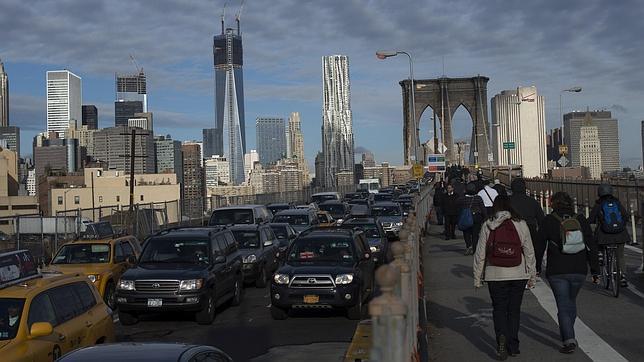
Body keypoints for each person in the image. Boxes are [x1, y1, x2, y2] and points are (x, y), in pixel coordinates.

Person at [473, 195, 536, 360]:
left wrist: (477, 277)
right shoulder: (520, 224)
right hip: (517, 273)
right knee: (514, 310)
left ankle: (501, 337)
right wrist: (532, 275)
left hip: (495, 274)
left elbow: (480, 253)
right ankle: (513, 346)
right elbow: (529, 251)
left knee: (499, 309)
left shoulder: (488, 224)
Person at [536, 192, 598, 354]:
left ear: (553, 203)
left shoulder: (549, 220)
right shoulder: (580, 219)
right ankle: (569, 331)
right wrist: (595, 270)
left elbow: (539, 245)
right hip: (579, 269)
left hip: (557, 270)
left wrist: (536, 268)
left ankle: (569, 339)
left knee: (563, 305)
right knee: (570, 302)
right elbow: (591, 244)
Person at [588, 184, 630, 287]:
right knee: (620, 255)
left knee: (595, 239)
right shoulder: (617, 203)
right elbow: (625, 216)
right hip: (620, 234)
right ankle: (623, 276)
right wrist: (620, 226)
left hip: (604, 236)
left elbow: (591, 219)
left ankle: (600, 255)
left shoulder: (599, 204)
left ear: (599, 193)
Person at [510, 178, 546, 272]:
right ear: (524, 188)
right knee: (532, 250)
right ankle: (535, 269)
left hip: (511, 229)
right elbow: (541, 219)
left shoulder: (507, 201)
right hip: (530, 228)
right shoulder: (532, 201)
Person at [459, 182, 487, 255]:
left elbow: (457, 203)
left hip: (466, 217)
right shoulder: (478, 198)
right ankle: (475, 249)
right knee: (475, 234)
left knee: (466, 232)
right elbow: (483, 209)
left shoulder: (463, 198)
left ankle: (468, 246)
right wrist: (485, 217)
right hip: (476, 217)